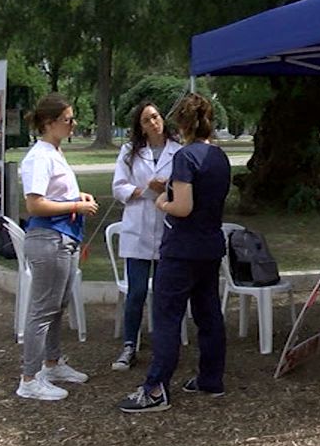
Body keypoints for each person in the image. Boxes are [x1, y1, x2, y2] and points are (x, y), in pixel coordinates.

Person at [118, 93, 231, 413]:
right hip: (210, 247)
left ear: (181, 123)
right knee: (209, 314)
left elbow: (182, 207)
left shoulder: (185, 157)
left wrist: (162, 202)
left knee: (166, 318)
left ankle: (155, 388)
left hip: (181, 250)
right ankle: (211, 378)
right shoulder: (219, 157)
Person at [15, 93, 99, 401]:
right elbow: (35, 204)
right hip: (49, 239)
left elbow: (56, 194)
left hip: (65, 237)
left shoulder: (54, 152)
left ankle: (51, 363)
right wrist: (75, 203)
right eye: (68, 120)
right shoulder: (40, 156)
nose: (73, 124)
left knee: (57, 305)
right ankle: (29, 377)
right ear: (50, 123)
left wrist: (80, 197)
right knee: (42, 309)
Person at [109, 102, 182, 370]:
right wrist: (146, 190)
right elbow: (118, 188)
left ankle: (166, 346)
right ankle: (129, 345)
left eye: (155, 116)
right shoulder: (130, 152)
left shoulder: (178, 150)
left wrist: (166, 188)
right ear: (139, 127)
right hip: (137, 228)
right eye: (146, 120)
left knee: (166, 292)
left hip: (167, 228)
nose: (153, 123)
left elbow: (185, 186)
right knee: (137, 291)